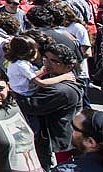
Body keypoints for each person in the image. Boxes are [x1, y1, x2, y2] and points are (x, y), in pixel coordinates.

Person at [17, 43, 84, 171]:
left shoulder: (63, 90)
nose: (47, 63)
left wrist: (11, 92)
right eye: (45, 58)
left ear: (69, 67)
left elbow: (31, 105)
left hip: (58, 143)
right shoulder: (51, 77)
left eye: (54, 61)